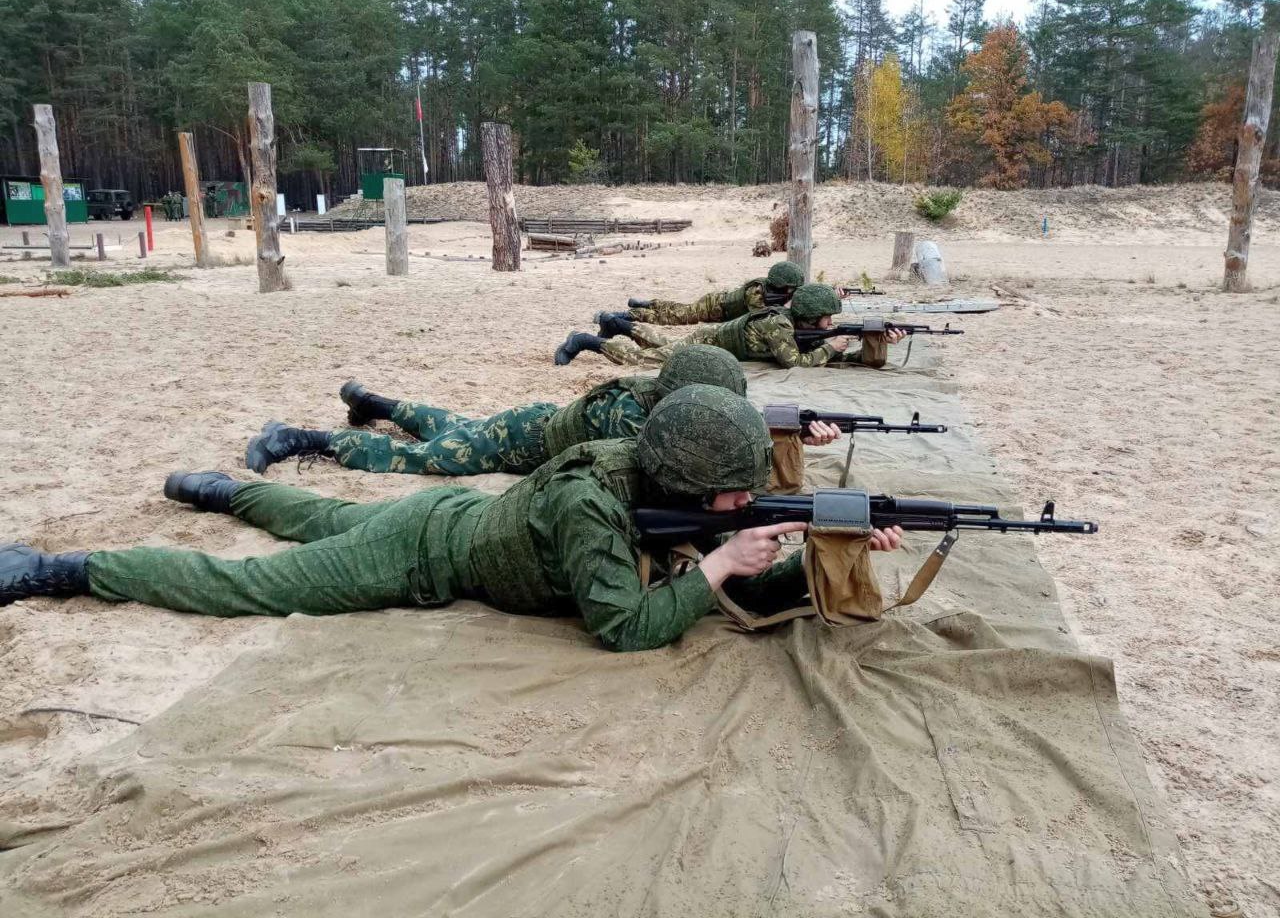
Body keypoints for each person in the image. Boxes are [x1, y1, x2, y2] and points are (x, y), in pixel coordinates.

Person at [0, 388, 902, 653]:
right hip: (419, 553)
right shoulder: (596, 502)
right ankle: (61, 569)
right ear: (694, 485)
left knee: (316, 517)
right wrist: (715, 566)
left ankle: (222, 491)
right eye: (737, 498)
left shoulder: (655, 482)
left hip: (456, 513)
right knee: (253, 587)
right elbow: (625, 628)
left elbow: (740, 579)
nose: (749, 506)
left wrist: (828, 558)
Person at [242, 344, 833, 475]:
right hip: (520, 443)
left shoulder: (651, 399)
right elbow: (681, 470)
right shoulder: (628, 421)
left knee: (452, 426)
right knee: (421, 458)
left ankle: (372, 401)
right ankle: (297, 437)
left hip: (533, 422)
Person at [556, 283, 906, 370]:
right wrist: (832, 346)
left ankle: (618, 323)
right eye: (827, 320)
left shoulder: (795, 325)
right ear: (810, 316)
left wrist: (877, 343)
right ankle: (588, 341)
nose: (832, 325)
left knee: (660, 344)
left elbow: (836, 358)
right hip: (707, 345)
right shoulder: (776, 326)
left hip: (712, 340)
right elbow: (797, 363)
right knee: (648, 361)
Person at [612, 261, 805, 326]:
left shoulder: (768, 287)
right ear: (782, 284)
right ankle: (630, 315)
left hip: (716, 304)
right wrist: (787, 306)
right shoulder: (757, 292)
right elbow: (761, 317)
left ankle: (647, 303)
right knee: (675, 318)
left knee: (681, 309)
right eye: (791, 288)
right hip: (714, 307)